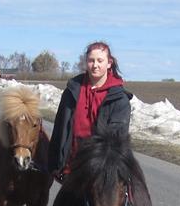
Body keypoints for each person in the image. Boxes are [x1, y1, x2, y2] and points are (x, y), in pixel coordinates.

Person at [48, 41, 132, 181]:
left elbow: (117, 141)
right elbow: (59, 129)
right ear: (86, 62)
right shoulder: (72, 91)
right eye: (91, 60)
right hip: (72, 170)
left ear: (109, 63)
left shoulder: (119, 99)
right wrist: (54, 165)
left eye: (100, 60)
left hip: (102, 175)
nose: (95, 65)